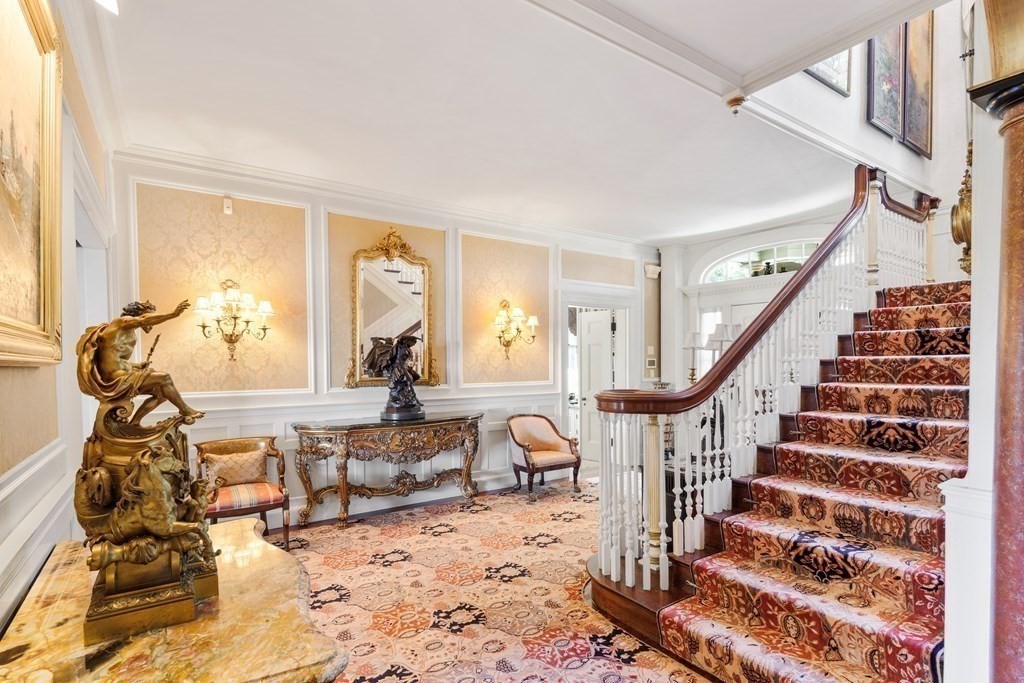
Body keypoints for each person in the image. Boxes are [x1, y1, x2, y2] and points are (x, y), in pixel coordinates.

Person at [77, 300, 203, 425]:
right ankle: (184, 409)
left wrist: (136, 365)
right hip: (114, 379)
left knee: (161, 393)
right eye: (150, 315)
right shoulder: (120, 323)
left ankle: (135, 423)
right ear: (139, 314)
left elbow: (116, 359)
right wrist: (173, 314)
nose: (152, 321)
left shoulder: (129, 333)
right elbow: (143, 320)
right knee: (164, 377)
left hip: (124, 373)